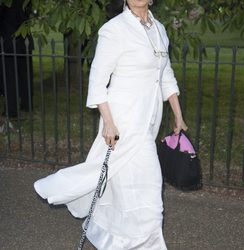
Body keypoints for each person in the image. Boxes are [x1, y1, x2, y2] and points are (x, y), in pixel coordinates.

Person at [33, 0, 188, 249]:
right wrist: (108, 122)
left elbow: (166, 74)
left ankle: (111, 235)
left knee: (122, 185)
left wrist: (178, 114)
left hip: (149, 120)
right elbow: (97, 80)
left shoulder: (159, 29)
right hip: (122, 120)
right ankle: (148, 243)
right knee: (150, 185)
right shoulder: (113, 29)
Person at [0, 0, 34, 118]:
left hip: (9, 39)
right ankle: (27, 103)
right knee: (25, 74)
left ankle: (12, 109)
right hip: (24, 39)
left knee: (10, 76)